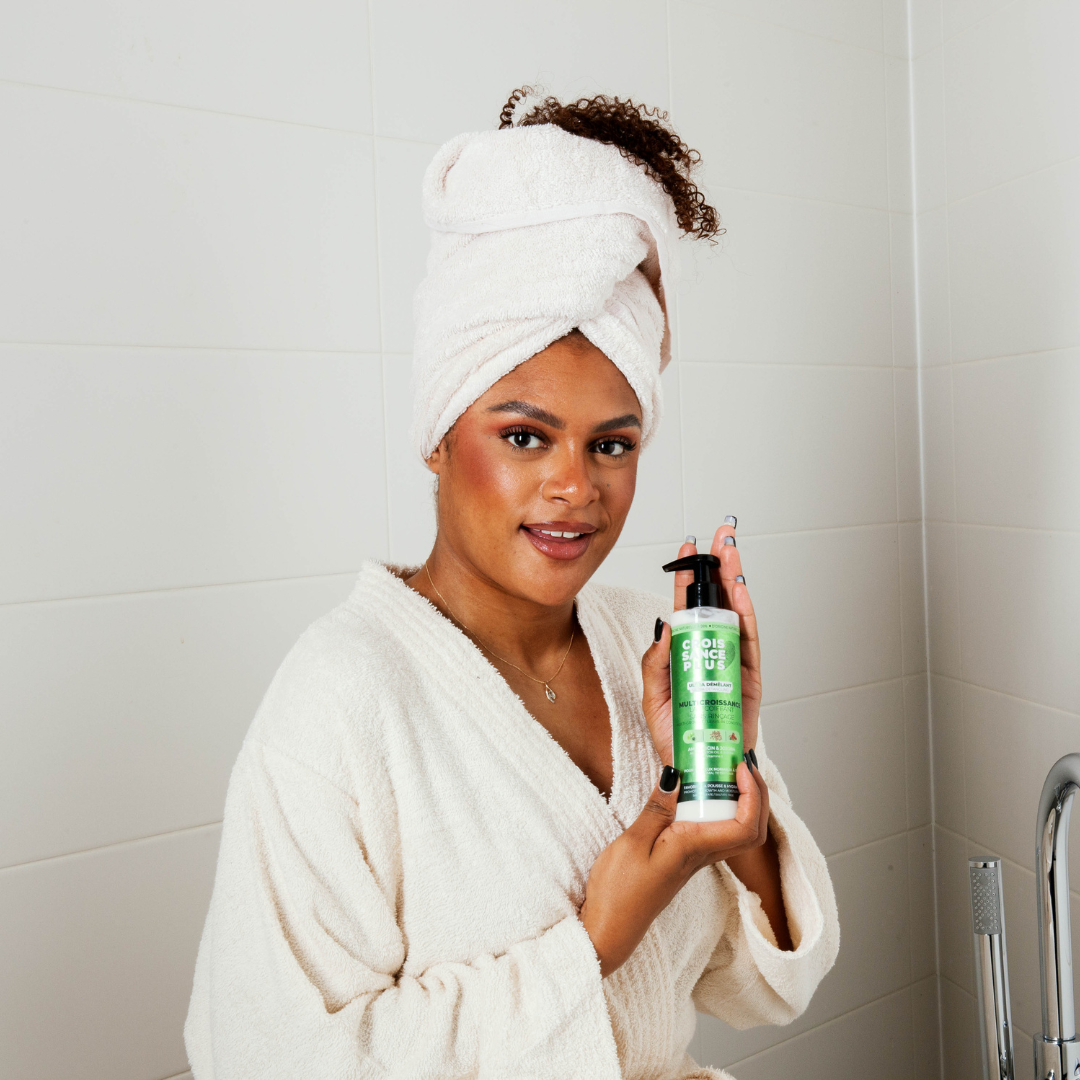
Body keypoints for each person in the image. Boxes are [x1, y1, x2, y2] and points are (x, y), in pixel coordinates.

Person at [185, 89, 839, 1080]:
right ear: (440, 439)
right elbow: (268, 1059)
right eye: (525, 435)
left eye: (611, 444)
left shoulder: (640, 653)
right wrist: (593, 940)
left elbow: (762, 988)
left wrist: (731, 799)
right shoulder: (340, 698)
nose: (575, 487)